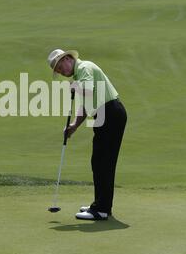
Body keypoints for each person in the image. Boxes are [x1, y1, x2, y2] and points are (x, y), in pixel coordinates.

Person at [47, 49, 127, 221]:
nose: (61, 71)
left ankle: (102, 208)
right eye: (58, 71)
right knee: (98, 161)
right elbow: (85, 104)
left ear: (68, 58)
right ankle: (100, 204)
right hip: (104, 115)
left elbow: (88, 90)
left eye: (60, 66)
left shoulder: (84, 67)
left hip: (110, 113)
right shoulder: (79, 76)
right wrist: (74, 125)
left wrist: (76, 87)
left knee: (103, 162)